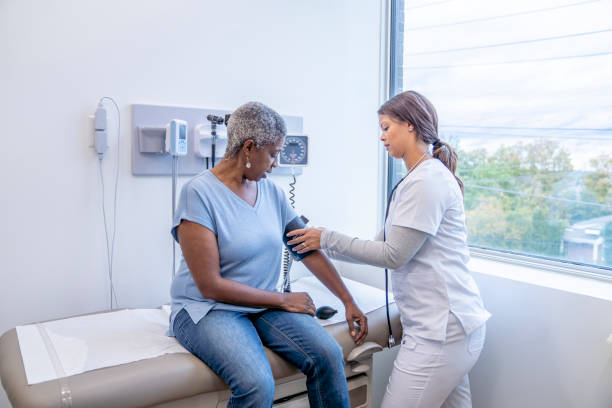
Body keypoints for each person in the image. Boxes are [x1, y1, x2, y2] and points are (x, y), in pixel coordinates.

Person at [287, 91, 491, 408]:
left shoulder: (427, 182)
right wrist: (320, 240)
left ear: (410, 125)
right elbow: (380, 245)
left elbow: (394, 256)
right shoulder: (416, 179)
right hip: (449, 330)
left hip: (441, 334)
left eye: (386, 127)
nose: (381, 136)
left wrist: (326, 238)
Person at [168, 101, 368, 408]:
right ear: (249, 148)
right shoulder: (198, 194)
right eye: (273, 153)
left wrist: (347, 300)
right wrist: (285, 300)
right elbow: (210, 285)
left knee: (328, 355)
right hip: (207, 309)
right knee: (256, 385)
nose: (275, 163)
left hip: (261, 304)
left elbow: (306, 248)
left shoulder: (272, 193)